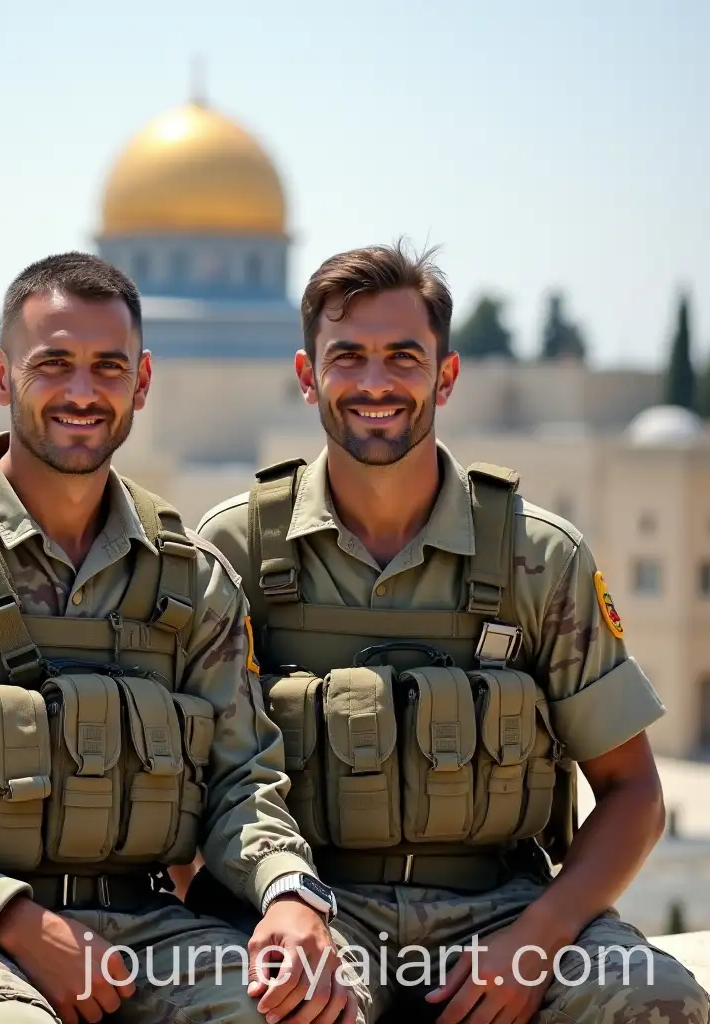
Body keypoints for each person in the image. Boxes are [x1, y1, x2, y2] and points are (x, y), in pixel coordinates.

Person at [0, 252, 357, 1024]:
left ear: (142, 383)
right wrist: (16, 921)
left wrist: (289, 891)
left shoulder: (190, 582)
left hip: (142, 930)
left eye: (107, 367)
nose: (82, 393)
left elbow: (242, 784)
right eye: (53, 363)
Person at [195, 242, 710, 1024]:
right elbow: (195, 783)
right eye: (348, 357)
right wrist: (282, 904)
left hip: (502, 908)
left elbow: (634, 792)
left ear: (447, 374)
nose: (375, 383)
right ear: (308, 377)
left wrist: (539, 937)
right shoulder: (237, 551)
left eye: (404, 356)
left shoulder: (536, 557)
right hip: (312, 911)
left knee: (659, 1000)